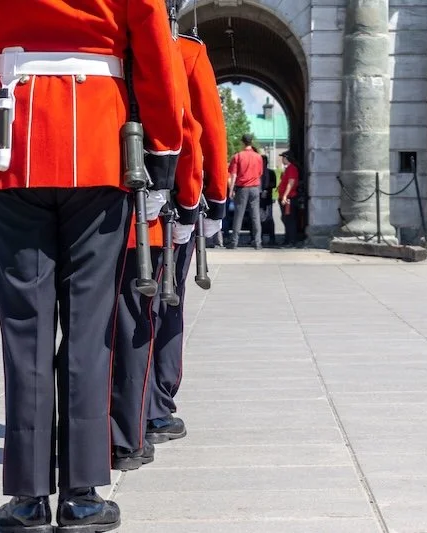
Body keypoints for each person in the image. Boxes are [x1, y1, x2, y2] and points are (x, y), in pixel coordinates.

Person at [0, 0, 183, 531]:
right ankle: (82, 495)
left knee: (24, 331)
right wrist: (164, 153)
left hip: (12, 141)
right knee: (89, 331)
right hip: (99, 142)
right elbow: (154, 52)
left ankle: (28, 497)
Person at [110, 23, 203, 471]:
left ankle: (85, 436)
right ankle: (142, 419)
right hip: (147, 213)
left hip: (83, 197)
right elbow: (188, 129)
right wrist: (190, 202)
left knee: (88, 325)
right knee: (145, 317)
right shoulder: (176, 50)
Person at [144, 26, 230, 445]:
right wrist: (212, 200)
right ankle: (156, 406)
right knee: (166, 304)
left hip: (108, 196)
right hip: (173, 203)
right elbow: (205, 130)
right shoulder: (185, 52)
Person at [227, 134, 264, 249]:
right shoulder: (258, 157)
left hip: (242, 188)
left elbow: (233, 175)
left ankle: (234, 242)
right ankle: (258, 242)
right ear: (251, 142)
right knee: (255, 215)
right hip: (255, 188)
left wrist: (231, 190)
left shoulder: (238, 156)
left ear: (242, 142)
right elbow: (260, 173)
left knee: (239, 215)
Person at [278, 150, 301, 247]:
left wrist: (285, 195)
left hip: (289, 198)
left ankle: (291, 240)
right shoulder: (288, 168)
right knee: (286, 219)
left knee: (290, 220)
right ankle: (288, 239)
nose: (282, 159)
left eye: (283, 157)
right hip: (286, 197)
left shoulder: (292, 168)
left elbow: (291, 183)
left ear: (287, 158)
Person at [259, 153, 277, 247]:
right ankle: (258, 237)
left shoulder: (271, 172)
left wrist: (266, 189)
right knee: (258, 218)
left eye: (264, 161)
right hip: (259, 198)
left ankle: (272, 238)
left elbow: (274, 184)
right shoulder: (258, 172)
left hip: (268, 198)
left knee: (269, 218)